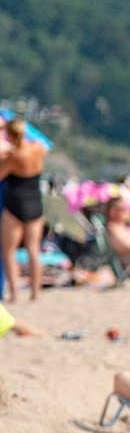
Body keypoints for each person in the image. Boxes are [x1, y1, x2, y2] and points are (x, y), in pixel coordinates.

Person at [1, 118, 48, 304]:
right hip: (35, 201)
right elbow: (42, 145)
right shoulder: (37, 148)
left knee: (8, 251)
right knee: (34, 250)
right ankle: (35, 293)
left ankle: (13, 293)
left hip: (15, 203)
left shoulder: (13, 158)